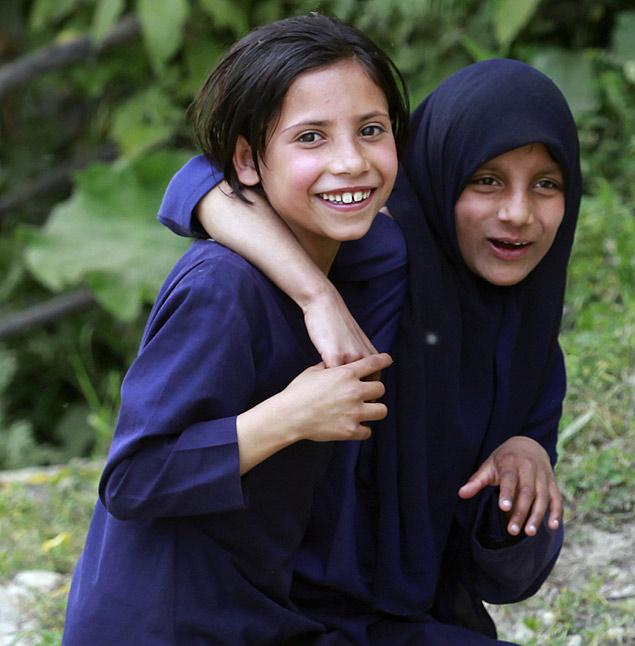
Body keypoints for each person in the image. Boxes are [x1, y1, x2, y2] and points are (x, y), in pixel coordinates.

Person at [157, 58, 581, 644]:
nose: (517, 212)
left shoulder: (529, 350)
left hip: (395, 620)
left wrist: (523, 468)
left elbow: (497, 576)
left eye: (547, 184)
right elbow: (200, 183)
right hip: (279, 612)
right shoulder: (378, 258)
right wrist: (318, 295)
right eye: (485, 180)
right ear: (437, 171)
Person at [62, 14, 409, 645]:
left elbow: (200, 185)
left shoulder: (371, 250)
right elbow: (133, 477)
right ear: (248, 160)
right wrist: (291, 416)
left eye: (371, 130)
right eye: (310, 137)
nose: (350, 161)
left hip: (264, 613)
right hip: (164, 628)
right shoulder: (222, 287)